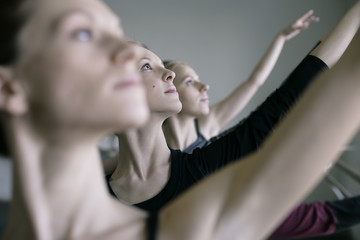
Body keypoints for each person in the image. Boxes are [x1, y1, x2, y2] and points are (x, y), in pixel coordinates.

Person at [1, 0, 360, 240]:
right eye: (83, 33)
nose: (126, 50)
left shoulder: (188, 226)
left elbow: (337, 83)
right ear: (9, 87)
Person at [162, 10, 319, 153]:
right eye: (190, 82)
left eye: (198, 80)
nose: (205, 86)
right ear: (169, 90)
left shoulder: (208, 124)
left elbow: (254, 81)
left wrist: (282, 36)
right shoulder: (153, 145)